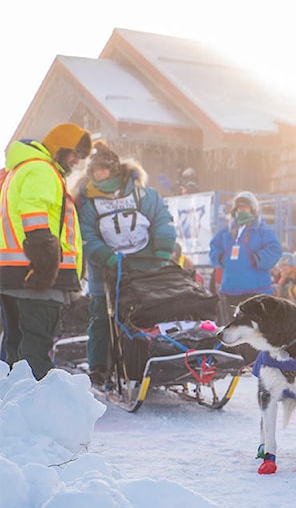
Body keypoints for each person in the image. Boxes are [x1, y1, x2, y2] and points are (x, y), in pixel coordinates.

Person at [75, 140, 177, 385]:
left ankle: (146, 359)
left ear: (114, 169)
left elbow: (162, 219)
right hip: (106, 272)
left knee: (147, 314)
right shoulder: (88, 202)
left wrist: (163, 247)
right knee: (102, 318)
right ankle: (100, 367)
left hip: (146, 266)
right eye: (95, 170)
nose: (99, 174)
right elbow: (86, 235)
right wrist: (105, 257)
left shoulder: (142, 193)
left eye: (103, 169)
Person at [0, 122, 91, 379]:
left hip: (13, 275)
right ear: (58, 145)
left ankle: (13, 408)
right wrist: (47, 262)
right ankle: (37, 410)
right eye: (74, 152)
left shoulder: (18, 171)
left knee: (16, 348)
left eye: (80, 156)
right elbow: (34, 214)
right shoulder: (41, 170)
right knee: (35, 353)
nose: (76, 160)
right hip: (37, 277)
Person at [209, 191, 282, 313]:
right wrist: (221, 258)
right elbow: (214, 246)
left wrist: (257, 259)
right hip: (230, 289)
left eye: (245, 207)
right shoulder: (227, 233)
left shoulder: (262, 231)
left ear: (253, 210)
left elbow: (275, 249)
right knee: (233, 327)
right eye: (238, 208)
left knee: (255, 328)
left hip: (256, 289)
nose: (241, 210)